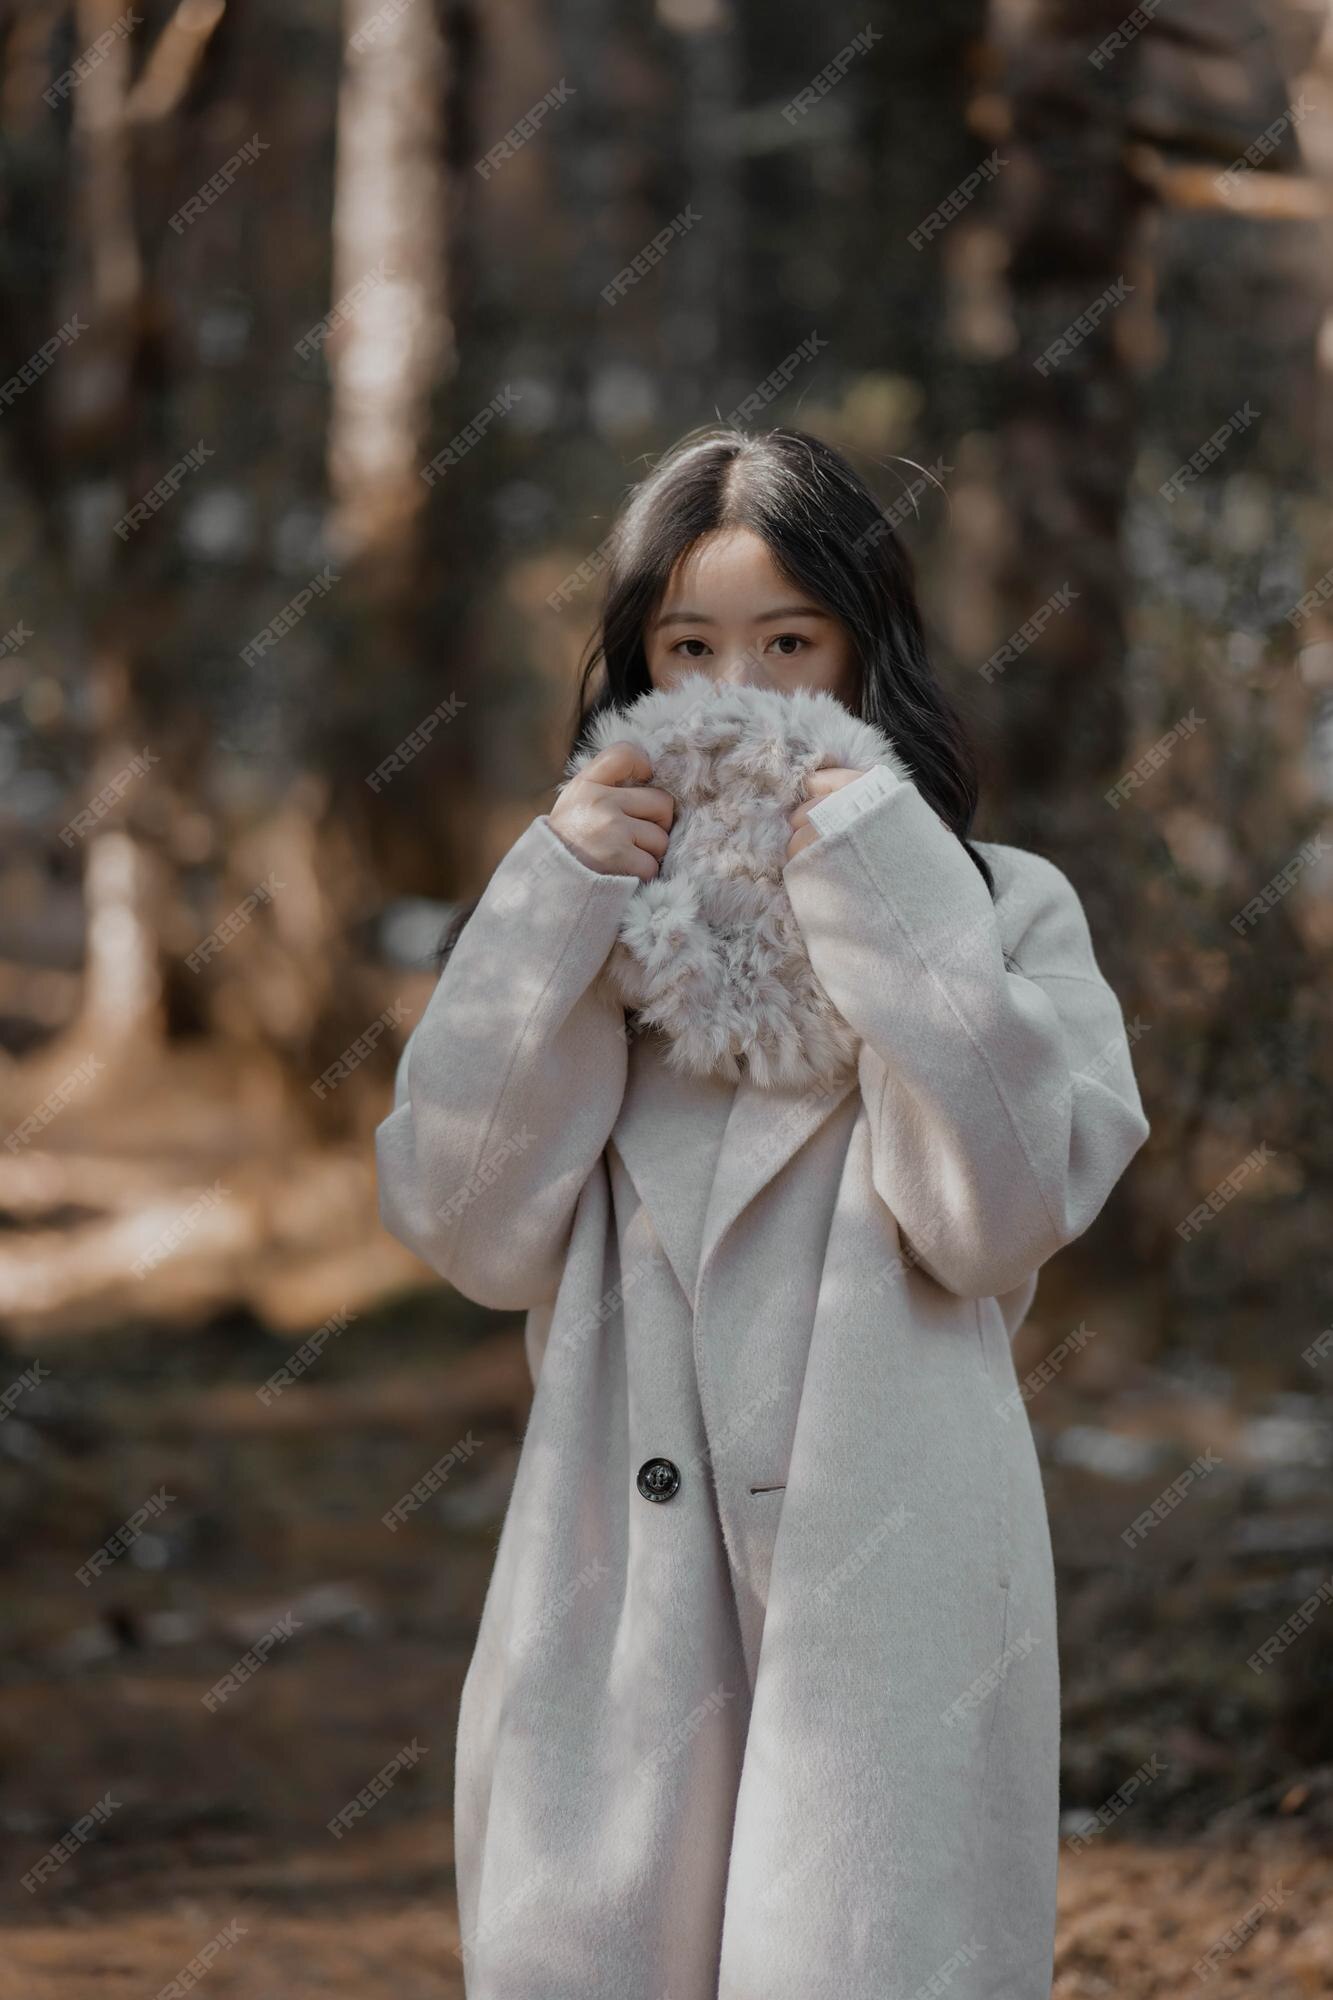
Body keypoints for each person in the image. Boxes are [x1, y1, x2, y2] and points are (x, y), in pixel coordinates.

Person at [375, 424, 1151, 2000]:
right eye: (693, 646)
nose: (744, 690)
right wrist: (551, 902)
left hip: (894, 1580)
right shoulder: (580, 920)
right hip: (617, 1573)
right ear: (635, 673)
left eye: (790, 642)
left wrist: (877, 875)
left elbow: (994, 1219)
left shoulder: (998, 905)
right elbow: (463, 1225)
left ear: (865, 658)